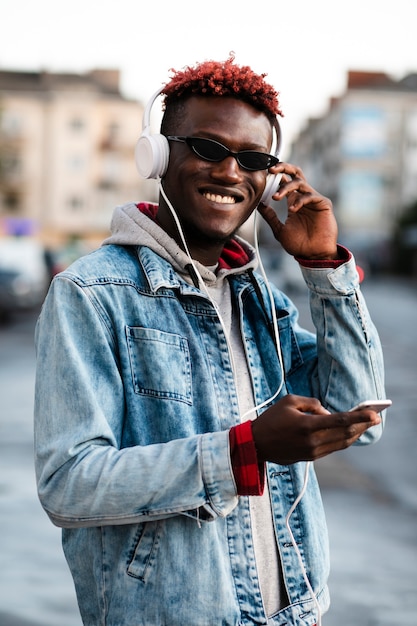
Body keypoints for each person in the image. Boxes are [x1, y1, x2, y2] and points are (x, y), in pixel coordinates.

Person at [34, 56, 387, 626]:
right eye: (207, 147)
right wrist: (242, 450)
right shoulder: (91, 294)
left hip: (296, 614)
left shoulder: (262, 302)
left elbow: (358, 416)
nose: (229, 172)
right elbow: (69, 485)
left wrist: (323, 266)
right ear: (158, 155)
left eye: (252, 159)